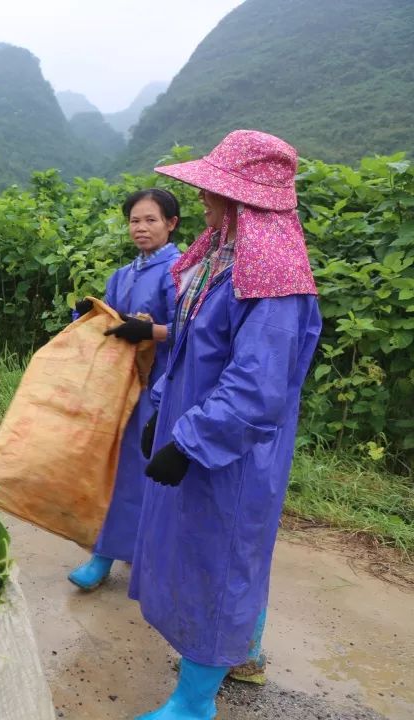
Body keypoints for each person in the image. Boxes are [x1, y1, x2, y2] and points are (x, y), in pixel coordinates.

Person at [128, 130, 322, 720]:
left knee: (220, 560)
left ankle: (194, 703)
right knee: (220, 554)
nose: (204, 200)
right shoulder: (223, 263)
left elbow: (256, 388)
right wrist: (161, 409)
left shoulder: (272, 284)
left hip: (232, 450)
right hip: (204, 433)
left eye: (214, 192)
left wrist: (189, 440)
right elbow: (189, 348)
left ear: (244, 204)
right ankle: (243, 654)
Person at [67, 188, 182, 591]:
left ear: (171, 223)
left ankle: (121, 553)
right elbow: (111, 323)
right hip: (122, 385)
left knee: (144, 470)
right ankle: (116, 548)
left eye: (151, 219)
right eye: (135, 220)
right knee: (116, 466)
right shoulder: (123, 274)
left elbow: (193, 331)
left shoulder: (179, 272)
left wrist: (150, 331)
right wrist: (87, 314)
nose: (141, 228)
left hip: (161, 387)